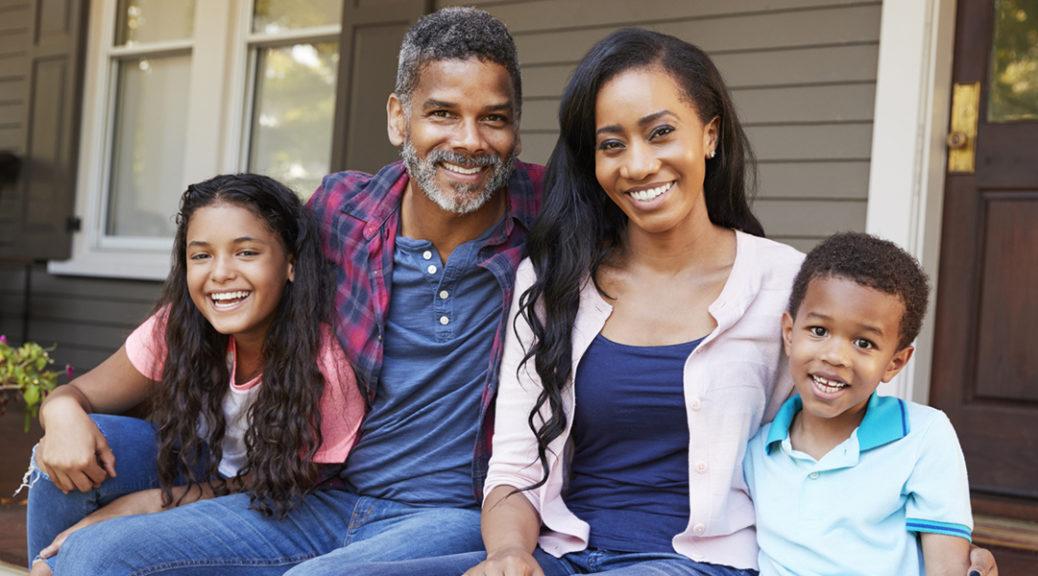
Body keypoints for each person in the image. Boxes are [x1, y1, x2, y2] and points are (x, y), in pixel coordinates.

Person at [336, 28, 998, 576]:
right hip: (560, 554)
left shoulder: (782, 287)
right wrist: (510, 554)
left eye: (661, 133)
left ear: (708, 135)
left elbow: (841, 423)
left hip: (693, 563)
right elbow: (514, 465)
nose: (638, 165)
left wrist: (936, 551)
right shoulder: (555, 278)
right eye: (612, 144)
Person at [29, 7, 543, 576]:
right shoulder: (340, 216)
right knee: (94, 553)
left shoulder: (555, 221)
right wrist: (65, 405)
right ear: (399, 118)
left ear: (516, 125)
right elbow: (227, 286)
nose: (468, 142)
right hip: (317, 496)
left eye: (493, 118)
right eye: (442, 113)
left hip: (450, 514)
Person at [25, 174, 365, 575]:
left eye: (246, 252)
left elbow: (296, 484)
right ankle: (46, 566)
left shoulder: (324, 361)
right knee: (68, 449)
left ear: (290, 263)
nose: (220, 273)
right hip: (199, 464)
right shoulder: (178, 328)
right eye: (201, 255)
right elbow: (77, 393)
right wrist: (61, 414)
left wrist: (153, 502)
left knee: (103, 553)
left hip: (281, 501)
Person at [744, 232, 972, 576]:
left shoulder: (923, 437)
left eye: (863, 342)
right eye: (819, 331)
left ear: (895, 363)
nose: (835, 356)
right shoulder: (756, 451)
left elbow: (948, 567)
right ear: (790, 334)